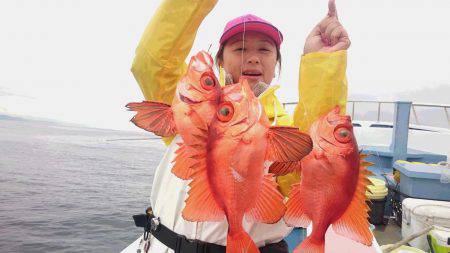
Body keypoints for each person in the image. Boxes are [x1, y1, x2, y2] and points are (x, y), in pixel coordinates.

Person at [130, 0, 351, 252]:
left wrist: (322, 63)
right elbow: (154, 65)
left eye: (265, 50)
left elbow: (320, 150)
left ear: (277, 64)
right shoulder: (192, 109)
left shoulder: (285, 130)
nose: (253, 58)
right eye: (240, 48)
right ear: (220, 61)